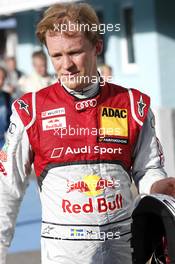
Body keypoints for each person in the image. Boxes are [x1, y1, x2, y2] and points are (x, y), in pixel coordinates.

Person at [0, 3, 175, 264]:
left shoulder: (131, 104)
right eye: (56, 56)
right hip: (65, 252)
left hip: (124, 246)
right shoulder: (31, 110)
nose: (66, 65)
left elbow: (148, 168)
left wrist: (157, 186)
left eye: (75, 52)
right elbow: (6, 189)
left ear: (97, 47)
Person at [0, 66, 12, 149]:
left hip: (4, 142)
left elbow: (10, 119)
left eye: (3, 78)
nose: (1, 81)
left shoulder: (6, 96)